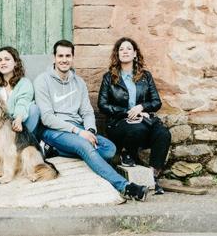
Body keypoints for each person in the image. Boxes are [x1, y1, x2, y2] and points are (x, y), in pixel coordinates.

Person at [34, 40, 149, 201]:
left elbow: (87, 111)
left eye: (68, 56)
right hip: (53, 130)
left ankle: (55, 150)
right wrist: (80, 133)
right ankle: (126, 187)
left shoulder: (79, 82)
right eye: (60, 56)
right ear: (54, 57)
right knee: (85, 145)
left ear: (73, 58)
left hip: (77, 128)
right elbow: (46, 118)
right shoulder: (42, 81)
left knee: (109, 148)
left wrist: (90, 130)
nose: (64, 59)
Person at [98, 37, 171, 195]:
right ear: (117, 55)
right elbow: (102, 105)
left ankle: (152, 176)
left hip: (143, 120)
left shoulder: (145, 76)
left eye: (129, 49)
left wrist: (141, 107)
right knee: (137, 128)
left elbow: (156, 102)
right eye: (121, 49)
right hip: (118, 123)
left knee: (163, 134)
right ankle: (127, 153)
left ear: (135, 54)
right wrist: (127, 113)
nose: (125, 51)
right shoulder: (109, 77)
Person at [0, 46, 40, 134]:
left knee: (33, 109)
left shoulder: (24, 83)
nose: (3, 63)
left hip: (19, 123)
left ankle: (26, 143)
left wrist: (19, 118)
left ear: (15, 62)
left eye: (7, 59)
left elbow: (23, 102)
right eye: (0, 60)